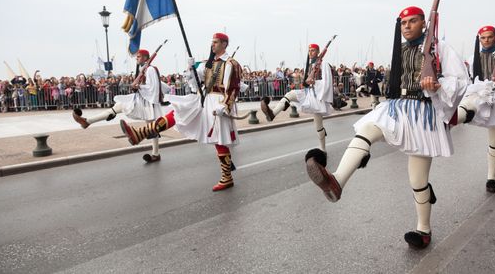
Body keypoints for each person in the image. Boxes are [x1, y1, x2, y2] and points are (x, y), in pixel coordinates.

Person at [304, 6, 468, 249]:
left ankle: (423, 229)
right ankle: (337, 181)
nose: (407, 26)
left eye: (413, 22)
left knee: (418, 180)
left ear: (424, 23)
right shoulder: (399, 50)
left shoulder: (439, 49)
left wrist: (437, 85)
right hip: (397, 106)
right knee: (367, 128)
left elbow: (460, 80)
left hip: (422, 112)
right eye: (403, 23)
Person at [119, 33, 242, 192]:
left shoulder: (231, 63)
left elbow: (233, 88)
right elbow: (196, 83)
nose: (212, 45)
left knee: (219, 140)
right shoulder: (208, 63)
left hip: (217, 103)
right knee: (179, 112)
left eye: (216, 42)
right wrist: (192, 70)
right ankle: (141, 133)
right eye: (212, 42)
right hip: (203, 99)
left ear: (224, 44)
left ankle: (227, 177)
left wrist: (225, 106)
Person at [72, 49, 165, 162]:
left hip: (147, 102)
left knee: (151, 128)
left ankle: (88, 121)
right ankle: (156, 154)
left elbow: (153, 87)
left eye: (139, 56)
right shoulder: (144, 69)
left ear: (146, 57)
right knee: (150, 127)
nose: (137, 58)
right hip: (143, 100)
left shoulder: (150, 69)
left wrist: (138, 86)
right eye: (137, 57)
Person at [456, 25, 495, 193]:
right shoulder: (473, 58)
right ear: (479, 39)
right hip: (479, 97)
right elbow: (470, 80)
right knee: (466, 108)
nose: (486, 40)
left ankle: (492, 178)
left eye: (490, 37)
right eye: (483, 37)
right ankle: (451, 120)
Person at [260, 43, 334, 152]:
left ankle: (323, 149)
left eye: (313, 50)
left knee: (318, 126)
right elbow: (306, 81)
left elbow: (327, 82)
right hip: (308, 93)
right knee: (289, 95)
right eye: (309, 50)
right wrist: (304, 84)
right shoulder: (309, 65)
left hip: (318, 97)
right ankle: (272, 114)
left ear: (318, 52)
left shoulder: (324, 64)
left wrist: (315, 82)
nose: (310, 52)